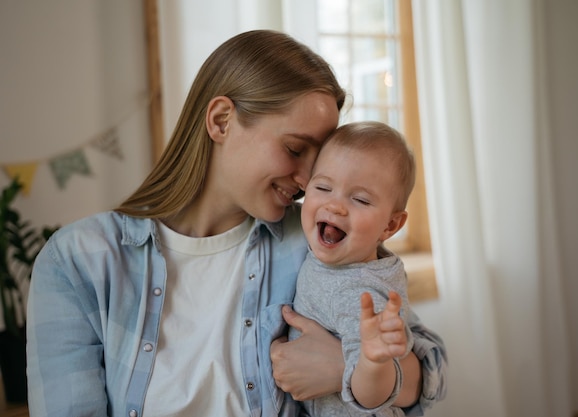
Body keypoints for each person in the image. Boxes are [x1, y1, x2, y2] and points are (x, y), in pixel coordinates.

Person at [26, 30, 447, 417]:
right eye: (295, 148)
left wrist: (344, 367)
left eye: (316, 164)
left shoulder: (314, 245)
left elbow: (428, 370)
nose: (306, 182)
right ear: (222, 120)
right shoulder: (78, 262)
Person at [290, 121, 421, 417]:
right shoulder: (343, 255)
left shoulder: (361, 296)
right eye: (323, 187)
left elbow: (373, 397)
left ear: (390, 225)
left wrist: (374, 364)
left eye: (360, 199)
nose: (335, 206)